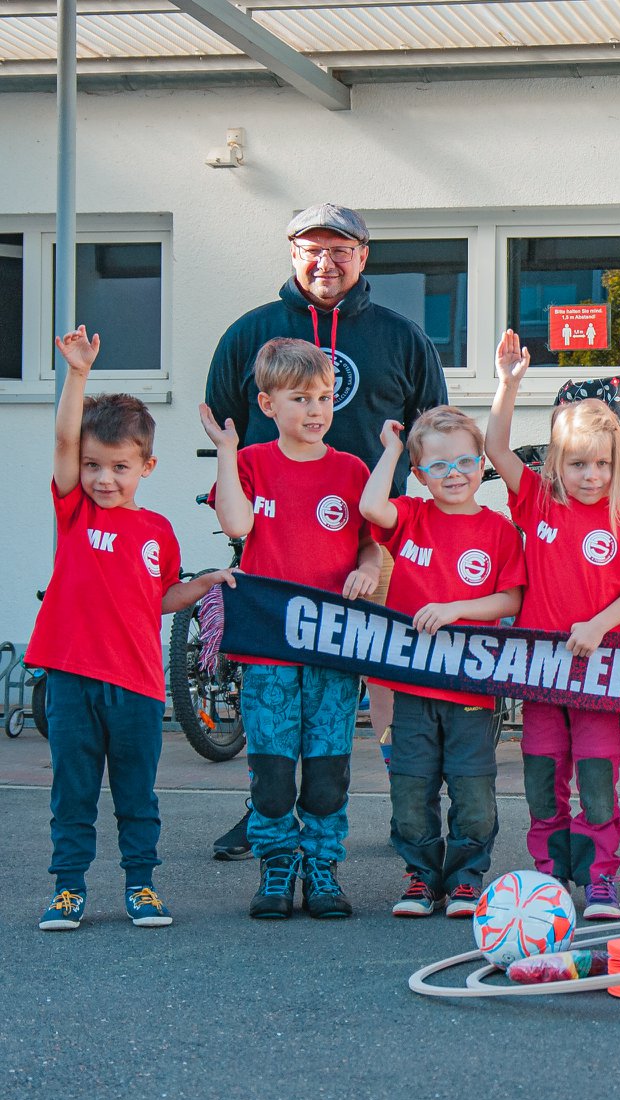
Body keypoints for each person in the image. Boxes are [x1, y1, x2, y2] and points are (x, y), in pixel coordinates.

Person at [205, 202, 448, 860]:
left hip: (373, 538)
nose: (326, 261)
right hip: (275, 539)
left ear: (363, 257)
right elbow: (226, 424)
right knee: (273, 681)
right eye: (312, 248)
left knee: (380, 671)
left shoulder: (401, 337)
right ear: (291, 253)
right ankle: (267, 808)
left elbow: (430, 427)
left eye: (341, 250)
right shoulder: (251, 333)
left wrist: (415, 514)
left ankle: (407, 811)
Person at [33, 327, 234, 931]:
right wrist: (77, 374)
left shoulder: (158, 531)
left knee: (136, 797)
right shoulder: (75, 513)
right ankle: (68, 890)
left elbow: (161, 597)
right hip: (72, 683)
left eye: (118, 467)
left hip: (139, 689)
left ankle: (141, 885)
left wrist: (200, 587)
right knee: (72, 794)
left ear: (145, 465)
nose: (103, 478)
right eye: (93, 465)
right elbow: (66, 436)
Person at [199, 338, 381, 920]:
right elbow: (235, 522)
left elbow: (372, 551)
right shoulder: (251, 463)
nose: (315, 409)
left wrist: (365, 571)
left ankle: (322, 867)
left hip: (333, 643)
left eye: (324, 397)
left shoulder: (351, 470)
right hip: (270, 643)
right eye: (300, 398)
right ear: (268, 403)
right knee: (273, 768)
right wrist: (228, 452)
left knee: (327, 767)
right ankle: (277, 865)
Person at [486, 330, 620, 922]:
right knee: (541, 774)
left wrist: (600, 625)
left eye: (602, 464)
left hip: (599, 674)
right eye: (579, 463)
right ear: (557, 462)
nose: (591, 475)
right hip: (540, 674)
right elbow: (495, 448)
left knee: (596, 778)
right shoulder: (536, 500)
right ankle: (548, 875)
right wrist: (508, 385)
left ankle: (600, 877)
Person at [360, 407, 524, 918]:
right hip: (412, 687)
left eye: (465, 462)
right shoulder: (410, 516)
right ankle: (421, 876)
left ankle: (467, 878)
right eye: (438, 465)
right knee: (412, 786)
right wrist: (391, 449)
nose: (454, 473)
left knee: (473, 790)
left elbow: (512, 600)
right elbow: (370, 506)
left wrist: (457, 610)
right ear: (419, 473)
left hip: (472, 688)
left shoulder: (498, 530)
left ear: (481, 466)